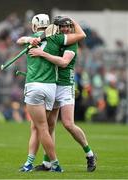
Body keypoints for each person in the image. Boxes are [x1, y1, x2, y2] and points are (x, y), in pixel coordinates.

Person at [17, 14, 86, 172]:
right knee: (43, 127)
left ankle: (51, 164)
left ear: (34, 25)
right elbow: (80, 35)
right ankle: (40, 163)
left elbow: (19, 39)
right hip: (51, 88)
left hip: (34, 86)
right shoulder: (58, 39)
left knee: (39, 128)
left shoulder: (32, 39)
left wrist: (29, 40)